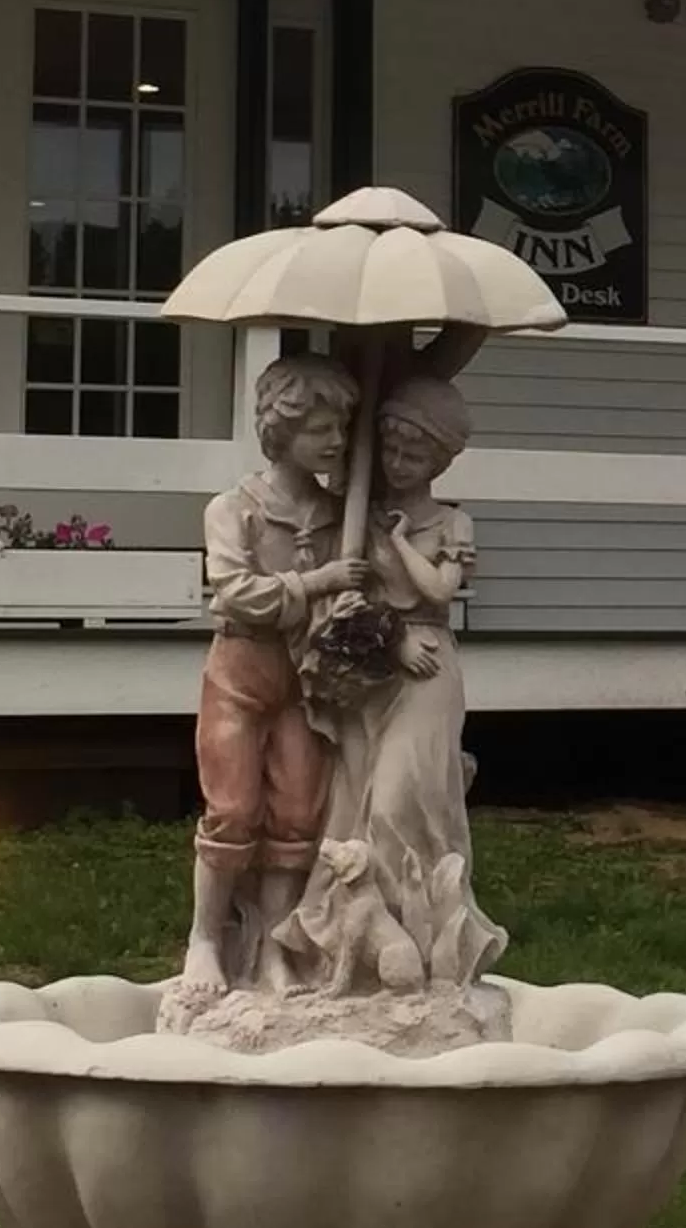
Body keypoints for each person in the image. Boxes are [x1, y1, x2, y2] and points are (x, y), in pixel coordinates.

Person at [275, 365, 506, 996]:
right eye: (394, 448)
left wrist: (399, 543)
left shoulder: (453, 525)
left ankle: (433, 940)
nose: (401, 461)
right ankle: (350, 950)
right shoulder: (360, 514)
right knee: (354, 805)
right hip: (373, 663)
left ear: (441, 458)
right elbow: (345, 596)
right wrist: (383, 630)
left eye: (417, 452)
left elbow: (437, 592)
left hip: (429, 668)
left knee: (406, 799)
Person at [181, 352, 368, 997]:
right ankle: (205, 939)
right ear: (281, 429)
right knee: (233, 808)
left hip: (306, 676)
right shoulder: (233, 510)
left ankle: (274, 950)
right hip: (242, 669)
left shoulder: (341, 514)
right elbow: (237, 592)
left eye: (341, 430)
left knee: (296, 814)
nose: (336, 442)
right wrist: (318, 582)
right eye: (322, 430)